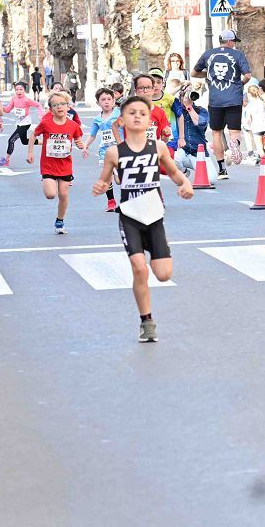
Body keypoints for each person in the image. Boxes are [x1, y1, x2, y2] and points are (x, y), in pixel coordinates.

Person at [94, 96, 194, 343]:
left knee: (163, 274)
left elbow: (173, 172)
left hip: (154, 214)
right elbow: (106, 179)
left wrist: (186, 183)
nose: (137, 116)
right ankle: (146, 321)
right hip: (129, 215)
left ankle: (158, 247)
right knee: (139, 269)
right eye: (131, 113)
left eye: (142, 113)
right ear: (122, 120)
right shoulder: (114, 152)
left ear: (149, 119)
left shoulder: (158, 147)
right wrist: (101, 185)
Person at [191, 29, 252, 179]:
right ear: (230, 41)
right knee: (234, 131)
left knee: (217, 133)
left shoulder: (208, 54)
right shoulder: (238, 55)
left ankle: (222, 168)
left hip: (215, 100)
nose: (234, 45)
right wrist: (240, 83)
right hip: (234, 98)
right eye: (234, 42)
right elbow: (248, 75)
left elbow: (193, 73)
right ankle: (234, 143)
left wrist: (209, 74)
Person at [26, 91, 85, 235]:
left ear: (68, 106)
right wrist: (30, 152)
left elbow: (77, 139)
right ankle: (46, 180)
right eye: (55, 105)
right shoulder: (46, 123)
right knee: (51, 194)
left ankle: (60, 220)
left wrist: (81, 146)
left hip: (65, 165)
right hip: (48, 165)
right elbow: (34, 134)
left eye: (62, 104)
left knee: (63, 195)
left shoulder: (73, 125)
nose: (59, 107)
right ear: (51, 109)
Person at [82, 88, 122, 212]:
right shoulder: (97, 119)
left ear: (114, 101)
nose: (106, 102)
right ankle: (111, 201)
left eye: (109, 99)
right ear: (98, 103)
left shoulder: (119, 114)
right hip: (105, 151)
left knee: (119, 180)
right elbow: (93, 134)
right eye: (103, 100)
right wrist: (86, 145)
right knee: (107, 177)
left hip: (120, 149)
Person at [0, 82, 43, 168]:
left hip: (26, 124)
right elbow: (7, 110)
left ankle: (6, 160)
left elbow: (38, 105)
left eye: (21, 89)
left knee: (11, 140)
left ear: (24, 90)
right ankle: (44, 143)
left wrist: (41, 115)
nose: (19, 91)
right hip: (19, 123)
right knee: (25, 141)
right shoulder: (14, 99)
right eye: (17, 89)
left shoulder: (27, 100)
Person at [172, 82, 210, 180]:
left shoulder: (201, 110)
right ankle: (184, 171)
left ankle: (197, 168)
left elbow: (201, 124)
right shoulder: (175, 109)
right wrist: (180, 87)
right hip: (182, 151)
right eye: (186, 92)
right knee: (173, 155)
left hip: (198, 153)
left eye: (190, 92)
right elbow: (163, 97)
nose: (188, 95)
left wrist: (189, 107)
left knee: (211, 179)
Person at [150, 70, 184, 158]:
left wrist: (181, 138)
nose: (155, 85)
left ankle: (182, 171)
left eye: (158, 82)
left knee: (168, 163)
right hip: (150, 136)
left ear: (163, 83)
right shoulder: (143, 99)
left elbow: (180, 115)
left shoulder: (169, 98)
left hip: (169, 136)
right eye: (152, 82)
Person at [243, 81, 265, 164]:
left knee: (259, 147)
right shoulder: (262, 102)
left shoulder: (249, 106)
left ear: (249, 95)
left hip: (256, 128)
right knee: (264, 145)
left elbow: (248, 119)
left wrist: (247, 126)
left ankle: (264, 160)